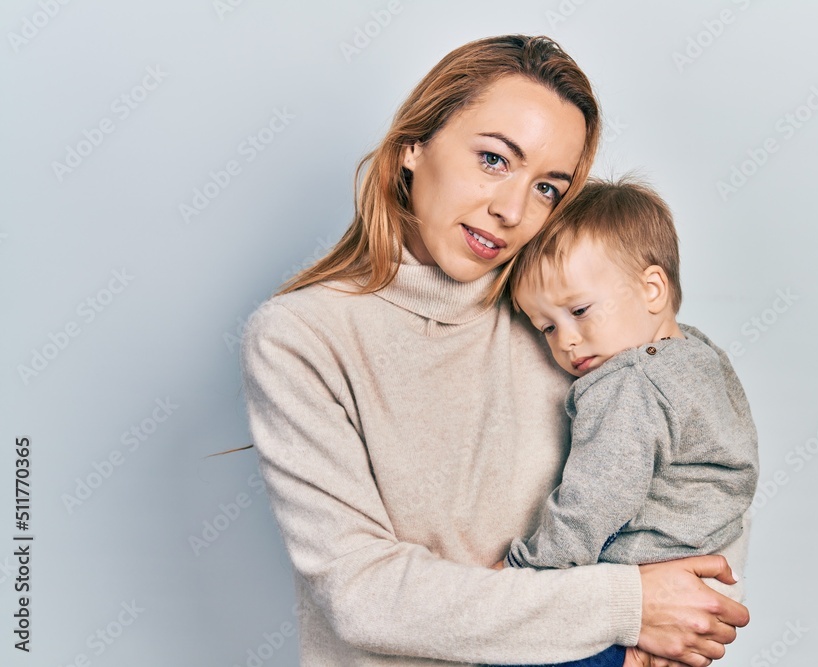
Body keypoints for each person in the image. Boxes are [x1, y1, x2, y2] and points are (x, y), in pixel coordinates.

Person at [239, 34, 749, 667]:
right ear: (411, 148)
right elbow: (363, 594)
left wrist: (679, 624)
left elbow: (700, 458)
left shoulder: (565, 311)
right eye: (493, 159)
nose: (511, 209)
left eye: (548, 189)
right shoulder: (301, 338)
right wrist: (628, 606)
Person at [485, 178, 758, 667]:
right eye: (546, 327)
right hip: (704, 576)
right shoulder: (698, 354)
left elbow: (593, 500)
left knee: (497, 651)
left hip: (634, 602)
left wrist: (522, 572)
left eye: (580, 311)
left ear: (652, 288)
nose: (566, 341)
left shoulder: (627, 383)